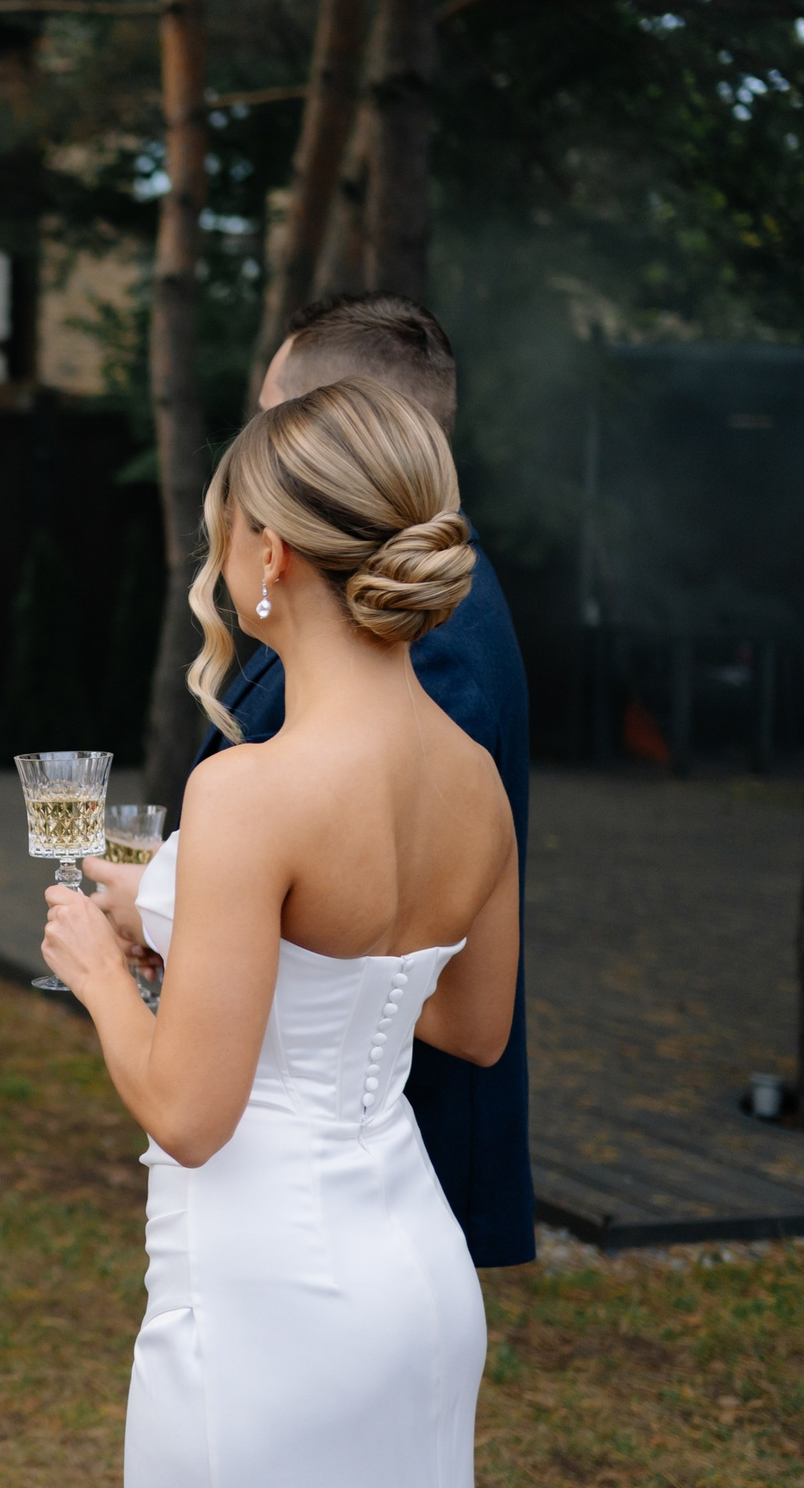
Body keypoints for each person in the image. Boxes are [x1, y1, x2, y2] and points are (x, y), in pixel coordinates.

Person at [41, 377, 518, 1488]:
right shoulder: (473, 778)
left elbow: (190, 1114)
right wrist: (201, 937)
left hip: (269, 1298)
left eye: (228, 526)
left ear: (271, 551)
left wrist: (99, 972)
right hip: (418, 1276)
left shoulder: (249, 789)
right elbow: (468, 1026)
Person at [89, 291, 537, 1270]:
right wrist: (194, 916)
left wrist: (99, 954)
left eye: (268, 414)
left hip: (325, 1202)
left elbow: (387, 906)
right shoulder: (427, 682)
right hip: (391, 1231)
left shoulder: (430, 652)